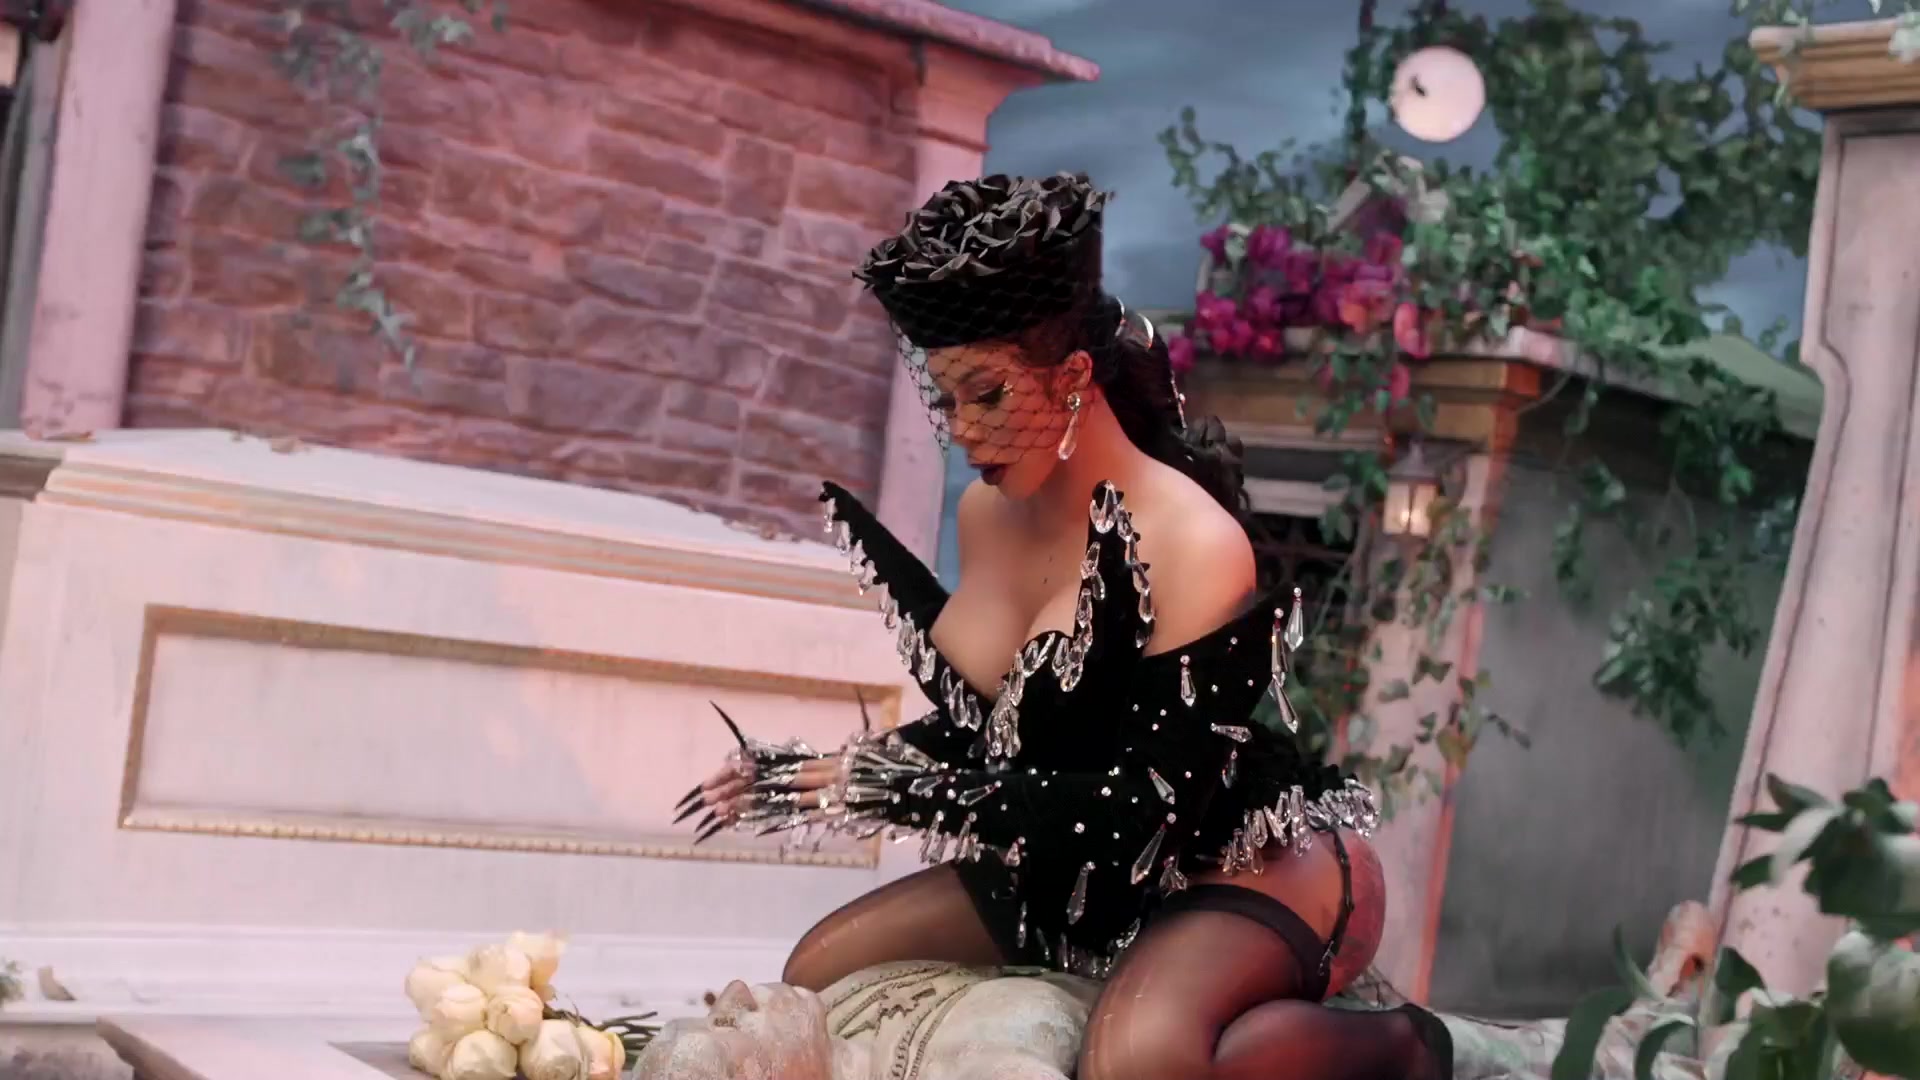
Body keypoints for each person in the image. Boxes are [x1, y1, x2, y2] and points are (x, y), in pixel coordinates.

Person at [676, 174, 1452, 1080]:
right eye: (947, 401)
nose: (964, 433)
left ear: (1075, 377)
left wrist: (889, 788)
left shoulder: (1192, 540)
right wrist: (814, 773)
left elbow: (1141, 808)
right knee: (818, 967)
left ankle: (1412, 1048)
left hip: (1243, 860)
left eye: (988, 396)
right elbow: (1004, 732)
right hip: (1083, 870)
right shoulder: (988, 517)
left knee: (1136, 1060)